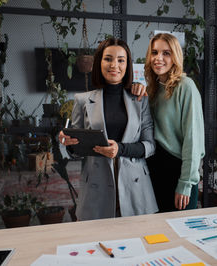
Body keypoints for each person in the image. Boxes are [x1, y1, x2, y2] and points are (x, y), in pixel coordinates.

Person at [58, 38, 158, 220]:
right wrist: (69, 143)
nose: (114, 65)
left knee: (138, 243)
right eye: (108, 59)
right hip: (97, 185)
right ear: (99, 63)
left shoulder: (140, 100)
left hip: (136, 187)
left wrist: (120, 149)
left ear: (127, 65)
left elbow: (150, 146)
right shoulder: (82, 100)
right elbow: (75, 150)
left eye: (121, 60)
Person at [132, 33, 205, 212]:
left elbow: (193, 140)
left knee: (182, 230)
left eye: (166, 53)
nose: (159, 58)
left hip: (178, 170)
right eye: (154, 52)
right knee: (159, 233)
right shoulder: (151, 89)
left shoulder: (186, 87)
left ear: (175, 57)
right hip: (154, 169)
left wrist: (186, 183)